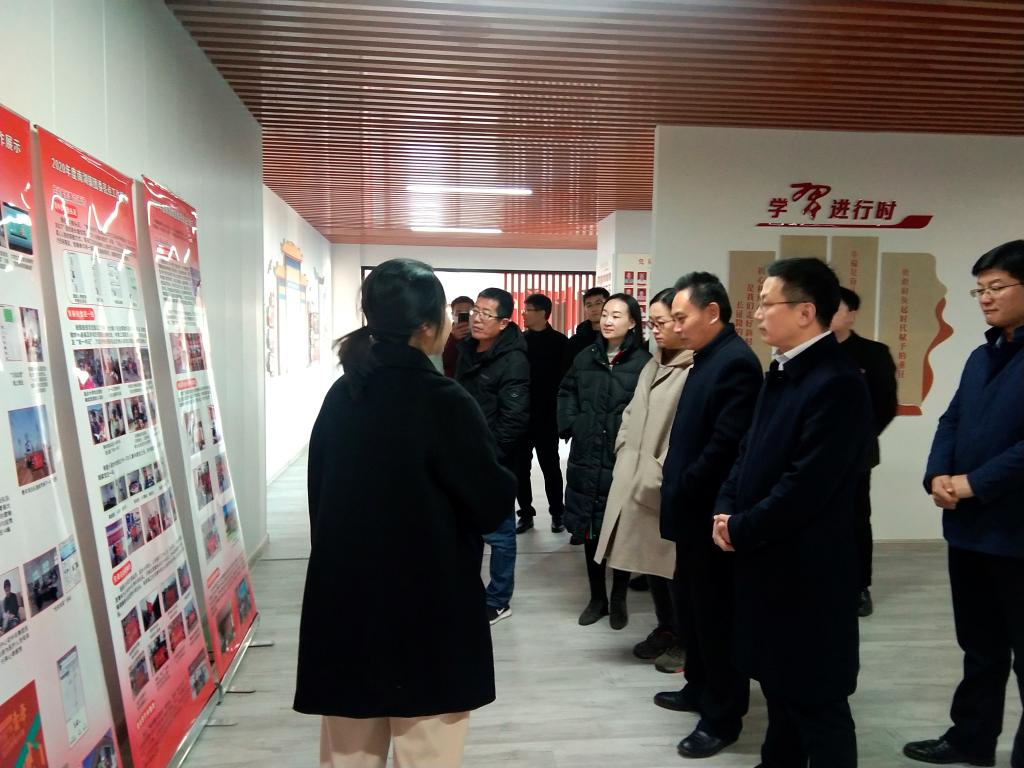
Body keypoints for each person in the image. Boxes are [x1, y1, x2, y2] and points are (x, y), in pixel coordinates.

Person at [294, 259, 516, 768]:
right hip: (431, 609)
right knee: (427, 753)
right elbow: (489, 504)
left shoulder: (344, 395)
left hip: (347, 604)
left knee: (348, 755)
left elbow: (318, 499)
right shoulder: (444, 400)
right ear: (427, 325)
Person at [712, 258, 872, 768]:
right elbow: (747, 452)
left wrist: (742, 526)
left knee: (816, 697)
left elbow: (807, 485)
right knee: (779, 685)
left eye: (767, 304)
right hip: (768, 557)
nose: (757, 314)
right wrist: (726, 508)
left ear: (805, 312)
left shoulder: (837, 381)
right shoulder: (782, 370)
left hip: (809, 568)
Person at [903, 240, 1024, 768]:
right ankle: (972, 739)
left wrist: (975, 482)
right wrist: (937, 475)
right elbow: (951, 419)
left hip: (1016, 532)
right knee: (980, 646)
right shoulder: (982, 355)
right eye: (980, 289)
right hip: (970, 529)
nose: (985, 298)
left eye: (997, 287)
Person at [655, 271, 762, 759]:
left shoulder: (736, 363)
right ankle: (698, 687)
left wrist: (685, 485)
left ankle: (722, 715)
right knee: (693, 610)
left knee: (717, 617)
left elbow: (725, 446)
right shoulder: (706, 358)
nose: (676, 327)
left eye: (682, 317)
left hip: (709, 513)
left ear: (712, 312)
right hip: (689, 510)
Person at [594, 287, 693, 659]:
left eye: (663, 322)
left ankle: (684, 638)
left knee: (671, 567)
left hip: (661, 484)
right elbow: (631, 413)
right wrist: (623, 447)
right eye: (653, 324)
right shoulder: (654, 363)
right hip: (634, 477)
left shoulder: (694, 370)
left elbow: (685, 432)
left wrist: (657, 471)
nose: (657, 331)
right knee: (649, 564)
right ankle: (665, 627)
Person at [558, 293, 650, 628]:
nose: (608, 320)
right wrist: (573, 424)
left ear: (632, 322)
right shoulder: (585, 357)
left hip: (621, 457)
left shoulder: (645, 363)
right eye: (606, 314)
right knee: (589, 528)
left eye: (617, 315)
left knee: (620, 529)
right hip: (587, 455)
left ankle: (619, 596)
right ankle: (597, 598)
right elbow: (566, 391)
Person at [456, 288, 530, 624]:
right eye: (475, 311)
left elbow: (514, 419)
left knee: (500, 533)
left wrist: (489, 458)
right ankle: (468, 591)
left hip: (494, 460)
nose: (477, 319)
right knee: (466, 529)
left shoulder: (513, 359)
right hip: (465, 455)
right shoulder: (467, 350)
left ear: (503, 322)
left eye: (486, 314)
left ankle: (499, 600)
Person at [831, 286, 898, 617]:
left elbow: (885, 406)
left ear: (852, 315)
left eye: (837, 308)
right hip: (810, 455)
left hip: (856, 455)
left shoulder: (873, 353)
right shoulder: (811, 352)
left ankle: (859, 586)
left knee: (856, 518)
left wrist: (858, 438)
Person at [515, 293, 568, 534]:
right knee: (520, 468)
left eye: (528, 309)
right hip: (522, 416)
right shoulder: (519, 341)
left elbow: (566, 382)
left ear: (543, 313)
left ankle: (557, 513)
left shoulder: (560, 343)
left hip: (548, 417)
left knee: (550, 467)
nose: (523, 313)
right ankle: (525, 514)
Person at [563, 286, 610, 372]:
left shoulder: (619, 339)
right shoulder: (575, 342)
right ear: (585, 309)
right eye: (589, 305)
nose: (594, 309)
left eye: (598, 303)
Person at [442, 296, 474, 377]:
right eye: (458, 312)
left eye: (468, 313)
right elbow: (443, 363)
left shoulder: (479, 334)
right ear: (452, 314)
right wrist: (453, 339)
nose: (463, 315)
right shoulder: (443, 334)